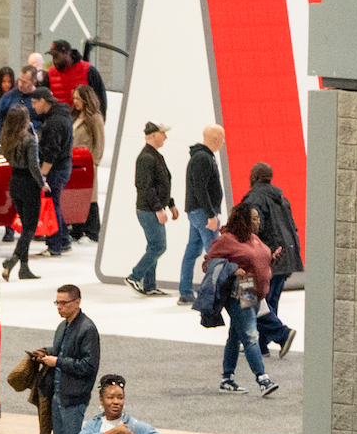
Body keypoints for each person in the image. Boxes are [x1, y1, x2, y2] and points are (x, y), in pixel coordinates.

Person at [204, 203, 284, 397]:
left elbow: (258, 259)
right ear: (244, 220)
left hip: (253, 291)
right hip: (238, 292)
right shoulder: (226, 240)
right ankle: (263, 379)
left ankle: (227, 379)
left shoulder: (253, 238)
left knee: (236, 335)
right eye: (254, 218)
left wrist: (272, 258)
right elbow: (209, 263)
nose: (258, 222)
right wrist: (232, 269)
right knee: (250, 335)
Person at [235, 162, 301, 354]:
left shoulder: (252, 199)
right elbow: (292, 228)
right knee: (269, 302)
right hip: (285, 258)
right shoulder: (281, 198)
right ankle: (260, 343)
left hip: (264, 260)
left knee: (250, 301)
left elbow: (253, 230)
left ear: (254, 177)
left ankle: (280, 335)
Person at [38, 285, 100, 434]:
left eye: (64, 303)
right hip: (59, 394)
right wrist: (46, 353)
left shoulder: (87, 329)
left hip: (74, 397)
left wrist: (57, 361)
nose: (59, 307)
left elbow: (88, 366)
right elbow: (64, 351)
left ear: (77, 302)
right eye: (57, 302)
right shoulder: (63, 326)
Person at [127, 122, 176, 297]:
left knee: (153, 246)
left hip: (152, 209)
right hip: (148, 211)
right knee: (159, 246)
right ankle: (135, 276)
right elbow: (145, 187)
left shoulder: (155, 156)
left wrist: (170, 204)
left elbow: (162, 183)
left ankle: (149, 286)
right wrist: (158, 209)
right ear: (154, 135)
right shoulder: (146, 158)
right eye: (163, 133)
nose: (166, 137)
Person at [179, 124, 226, 306]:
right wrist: (210, 215)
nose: (223, 142)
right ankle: (213, 294)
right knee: (214, 252)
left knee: (193, 251)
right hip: (202, 213)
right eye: (222, 138)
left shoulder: (201, 157)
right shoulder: (203, 158)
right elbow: (201, 189)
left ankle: (186, 292)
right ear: (216, 139)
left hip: (198, 212)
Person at [0, 103, 44, 281]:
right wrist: (42, 184)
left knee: (25, 227)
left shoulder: (7, 137)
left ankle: (24, 268)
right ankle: (14, 260)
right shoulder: (29, 139)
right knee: (30, 229)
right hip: (29, 184)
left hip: (15, 182)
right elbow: (34, 165)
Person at [31, 90, 76, 256]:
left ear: (43, 101)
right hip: (64, 166)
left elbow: (51, 152)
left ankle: (55, 245)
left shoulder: (54, 122)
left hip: (56, 169)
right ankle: (63, 241)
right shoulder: (61, 116)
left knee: (51, 205)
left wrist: (42, 176)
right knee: (54, 203)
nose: (33, 106)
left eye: (35, 103)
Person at [68, 85, 106, 241]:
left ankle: (92, 230)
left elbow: (100, 143)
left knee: (90, 198)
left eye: (78, 98)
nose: (75, 101)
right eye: (74, 98)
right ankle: (76, 230)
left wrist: (94, 163)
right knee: (76, 196)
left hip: (87, 165)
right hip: (74, 163)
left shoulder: (95, 118)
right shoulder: (75, 116)